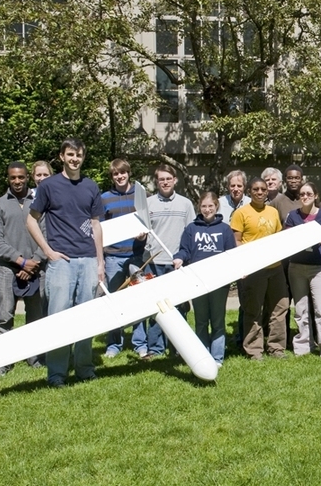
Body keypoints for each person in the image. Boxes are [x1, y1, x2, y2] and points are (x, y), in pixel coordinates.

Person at [26, 138, 104, 387]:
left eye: (79, 155)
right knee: (58, 317)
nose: (75, 159)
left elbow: (95, 225)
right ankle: (57, 373)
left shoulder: (91, 186)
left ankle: (84, 368)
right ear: (62, 156)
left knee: (87, 316)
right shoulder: (49, 186)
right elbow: (31, 220)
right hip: (61, 262)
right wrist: (48, 251)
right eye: (70, 154)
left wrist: (100, 262)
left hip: (88, 260)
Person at [0, 162, 47, 375]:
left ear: (27, 178)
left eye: (21, 177)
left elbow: (47, 235)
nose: (17, 181)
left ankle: (35, 357)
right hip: (7, 269)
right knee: (4, 316)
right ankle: (2, 362)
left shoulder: (39, 203)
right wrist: (20, 261)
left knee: (36, 317)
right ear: (8, 179)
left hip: (37, 267)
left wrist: (33, 261)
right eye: (13, 178)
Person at [173, 192, 237, 366]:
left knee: (217, 320)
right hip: (197, 281)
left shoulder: (224, 229)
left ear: (216, 206)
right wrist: (179, 257)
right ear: (199, 208)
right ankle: (203, 355)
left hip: (219, 281)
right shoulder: (191, 229)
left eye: (210, 206)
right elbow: (185, 250)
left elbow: (232, 254)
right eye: (204, 206)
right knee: (201, 320)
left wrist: (237, 271)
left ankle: (217, 358)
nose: (207, 209)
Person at [231, 177, 288, 360]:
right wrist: (246, 262)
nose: (260, 192)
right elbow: (237, 241)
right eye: (256, 189)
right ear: (250, 191)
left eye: (263, 189)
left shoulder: (272, 212)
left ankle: (276, 348)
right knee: (253, 310)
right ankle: (254, 350)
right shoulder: (241, 213)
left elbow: (279, 237)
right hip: (254, 269)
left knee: (280, 308)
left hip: (275, 267)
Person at [144, 164, 196, 358]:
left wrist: (185, 257)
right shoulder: (148, 204)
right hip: (154, 261)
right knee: (156, 307)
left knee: (179, 306)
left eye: (168, 179)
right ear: (156, 182)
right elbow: (142, 232)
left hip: (177, 262)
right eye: (161, 179)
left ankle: (177, 348)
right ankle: (155, 348)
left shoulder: (185, 204)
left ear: (175, 180)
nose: (165, 182)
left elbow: (191, 232)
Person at [284, 182, 321, 359]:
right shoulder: (292, 216)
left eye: (308, 194)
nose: (304, 197)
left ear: (315, 196)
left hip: (318, 268)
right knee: (300, 310)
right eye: (302, 194)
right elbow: (286, 240)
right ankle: (302, 347)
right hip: (296, 267)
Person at [100, 159, 147, 358]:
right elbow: (100, 229)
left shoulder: (140, 195)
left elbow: (146, 222)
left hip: (136, 254)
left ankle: (140, 343)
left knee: (139, 300)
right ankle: (114, 344)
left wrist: (144, 233)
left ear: (129, 173)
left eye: (123, 173)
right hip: (113, 257)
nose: (120, 177)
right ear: (112, 177)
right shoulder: (104, 198)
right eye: (115, 174)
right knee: (114, 300)